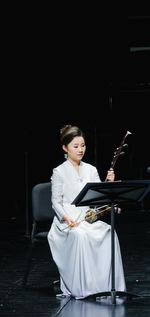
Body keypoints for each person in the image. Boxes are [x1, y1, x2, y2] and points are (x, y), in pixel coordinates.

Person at [47, 125, 127, 299]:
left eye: (83, 145)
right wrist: (66, 217)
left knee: (109, 232)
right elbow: (56, 202)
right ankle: (85, 288)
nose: (80, 150)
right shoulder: (59, 171)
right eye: (75, 146)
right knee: (80, 236)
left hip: (86, 219)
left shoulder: (91, 169)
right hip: (66, 222)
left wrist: (109, 183)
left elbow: (99, 197)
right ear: (65, 148)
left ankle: (106, 285)